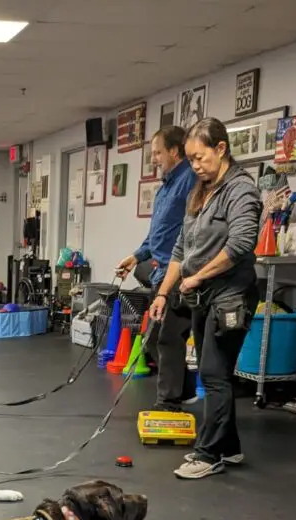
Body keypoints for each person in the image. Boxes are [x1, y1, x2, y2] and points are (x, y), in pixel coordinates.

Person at [149, 118, 262, 480]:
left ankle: (208, 453)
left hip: (230, 295)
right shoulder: (200, 190)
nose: (195, 165)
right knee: (216, 373)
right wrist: (164, 292)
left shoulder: (241, 191)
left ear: (221, 148)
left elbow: (241, 244)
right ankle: (230, 448)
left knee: (213, 373)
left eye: (200, 157)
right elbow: (181, 249)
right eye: (191, 159)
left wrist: (197, 276)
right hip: (199, 296)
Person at [116, 127, 196, 410]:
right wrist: (136, 256)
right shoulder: (166, 186)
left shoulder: (189, 180)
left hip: (178, 272)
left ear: (174, 151)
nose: (154, 158)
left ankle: (169, 403)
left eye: (158, 152)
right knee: (151, 339)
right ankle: (184, 390)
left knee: (166, 338)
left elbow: (190, 232)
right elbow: (159, 233)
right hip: (158, 269)